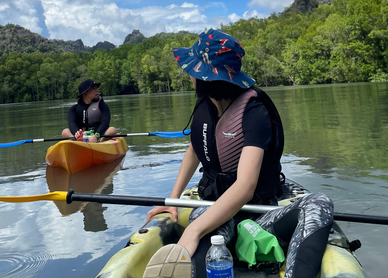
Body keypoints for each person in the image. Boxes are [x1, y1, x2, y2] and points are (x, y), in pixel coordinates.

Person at [142, 29, 334, 278]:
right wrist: (172, 200)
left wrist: (193, 230)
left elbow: (245, 186)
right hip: (213, 209)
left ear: (204, 76)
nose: (189, 75)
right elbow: (196, 149)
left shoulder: (254, 112)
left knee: (319, 203)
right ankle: (198, 265)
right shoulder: (205, 103)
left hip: (259, 215)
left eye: (193, 69)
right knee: (205, 223)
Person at [61, 79, 117, 143]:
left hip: (98, 135)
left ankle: (100, 142)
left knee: (112, 130)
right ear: (85, 93)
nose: (97, 90)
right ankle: (77, 142)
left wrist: (96, 135)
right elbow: (72, 123)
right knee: (65, 131)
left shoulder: (103, 106)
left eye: (96, 88)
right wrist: (77, 134)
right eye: (93, 88)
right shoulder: (73, 109)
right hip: (81, 137)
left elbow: (106, 122)